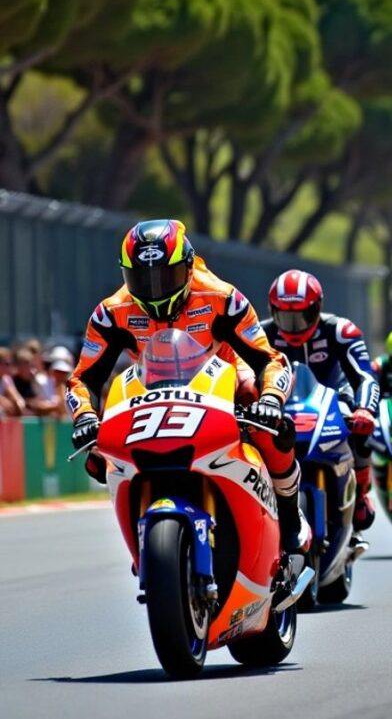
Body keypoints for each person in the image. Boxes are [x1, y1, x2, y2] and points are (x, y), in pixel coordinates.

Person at [66, 220, 308, 553]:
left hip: (223, 375)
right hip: (151, 385)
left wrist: (269, 398)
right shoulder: (111, 313)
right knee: (97, 458)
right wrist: (84, 417)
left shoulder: (223, 298)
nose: (155, 289)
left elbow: (270, 359)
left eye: (166, 276)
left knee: (274, 428)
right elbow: (83, 378)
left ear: (189, 266)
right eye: (142, 278)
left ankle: (290, 516)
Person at [261, 269, 380, 546]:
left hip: (335, 398)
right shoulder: (261, 334)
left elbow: (365, 376)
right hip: (280, 403)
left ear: (317, 309)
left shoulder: (341, 331)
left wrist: (365, 409)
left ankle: (360, 491)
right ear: (273, 311)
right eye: (285, 317)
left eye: (302, 316)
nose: (294, 326)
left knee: (360, 428)